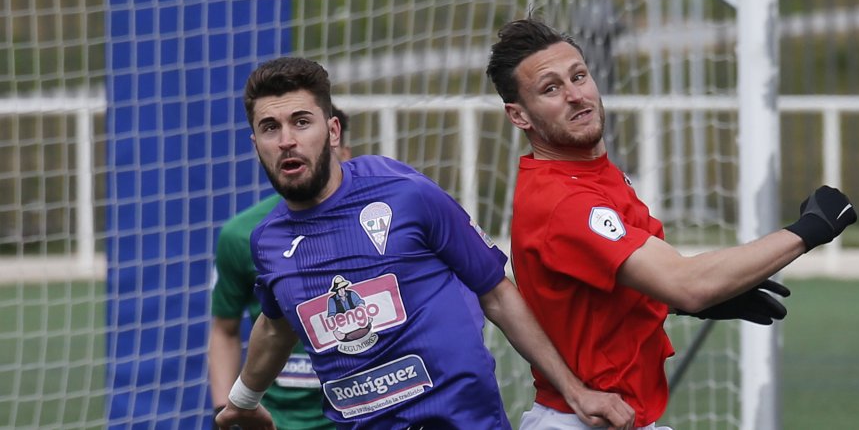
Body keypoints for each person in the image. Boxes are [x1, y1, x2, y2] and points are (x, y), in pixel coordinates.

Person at [215, 56, 634, 430]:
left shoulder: (405, 193)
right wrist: (243, 401)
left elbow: (497, 294)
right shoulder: (267, 242)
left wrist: (575, 391)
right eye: (270, 128)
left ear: (333, 130)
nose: (286, 139)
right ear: (256, 143)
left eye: (301, 122)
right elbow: (275, 327)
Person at [485, 18, 858, 429]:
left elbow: (646, 280)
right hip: (579, 420)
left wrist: (676, 303)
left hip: (618, 416)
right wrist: (811, 228)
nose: (576, 95)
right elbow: (688, 283)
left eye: (579, 76)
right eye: (551, 89)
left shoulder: (595, 174)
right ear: (519, 116)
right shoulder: (565, 201)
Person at [208, 106, 352, 430]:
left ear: (341, 147)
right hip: (277, 420)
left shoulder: (379, 225)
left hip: (361, 414)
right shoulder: (244, 234)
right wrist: (226, 411)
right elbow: (224, 330)